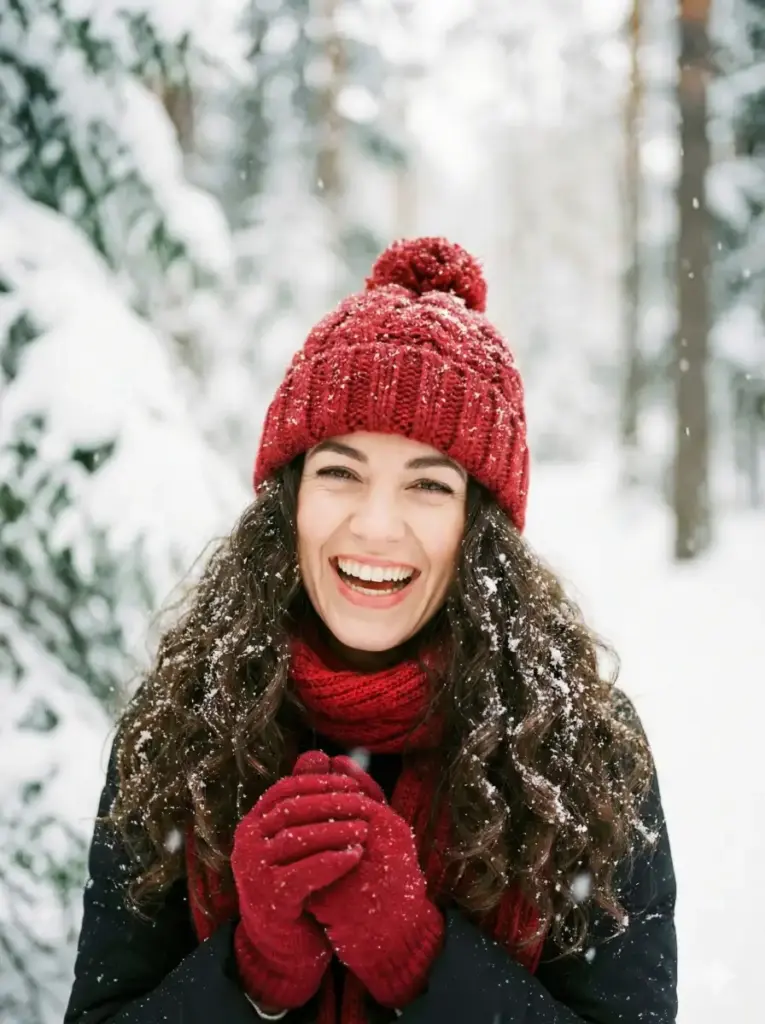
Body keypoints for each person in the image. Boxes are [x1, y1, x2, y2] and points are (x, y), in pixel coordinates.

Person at [64, 237, 677, 1024]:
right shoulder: (184, 724)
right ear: (288, 501)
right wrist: (250, 976)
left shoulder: (581, 752)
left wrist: (424, 959)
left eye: (427, 485)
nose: (376, 526)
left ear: (476, 524)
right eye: (340, 473)